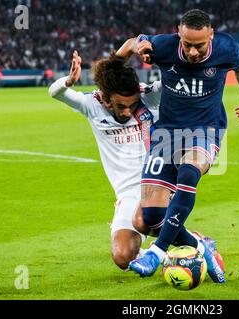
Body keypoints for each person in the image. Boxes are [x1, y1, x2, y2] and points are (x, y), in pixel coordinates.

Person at [117, 9, 239, 283]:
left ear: (211, 35)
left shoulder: (226, 47)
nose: (192, 52)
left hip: (206, 129)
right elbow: (133, 43)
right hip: (167, 132)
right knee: (148, 218)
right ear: (179, 34)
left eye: (199, 45)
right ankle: (201, 247)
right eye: (187, 45)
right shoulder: (165, 46)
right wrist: (134, 48)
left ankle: (156, 252)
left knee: (189, 171)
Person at [49, 50, 161, 270]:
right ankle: (172, 255)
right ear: (107, 99)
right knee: (122, 257)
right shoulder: (91, 105)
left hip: (158, 183)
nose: (128, 111)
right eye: (121, 106)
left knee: (145, 218)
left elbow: (174, 79)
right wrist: (70, 81)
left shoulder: (149, 96)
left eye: (133, 105)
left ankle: (193, 244)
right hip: (127, 193)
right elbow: (55, 92)